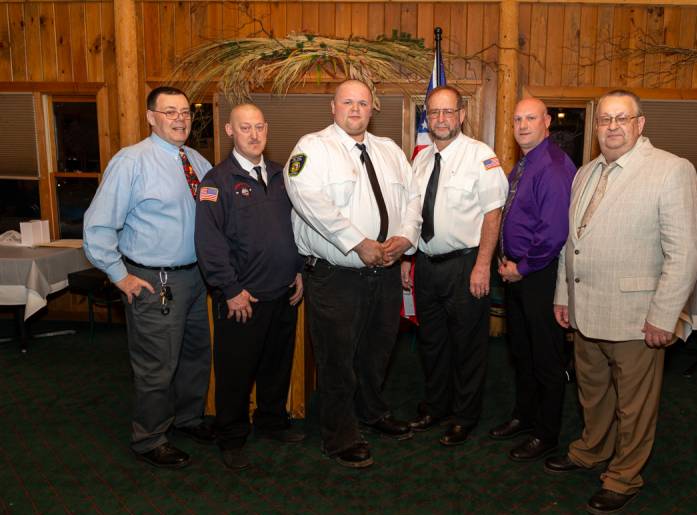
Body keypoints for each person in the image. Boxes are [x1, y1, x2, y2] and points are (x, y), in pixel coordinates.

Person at [547, 89, 697, 515]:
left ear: (640, 124)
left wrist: (664, 316)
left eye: (622, 119)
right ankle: (591, 450)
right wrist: (564, 295)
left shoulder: (671, 171)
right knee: (592, 393)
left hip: (638, 317)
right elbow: (571, 243)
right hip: (585, 310)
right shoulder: (586, 172)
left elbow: (685, 253)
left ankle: (623, 476)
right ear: (596, 126)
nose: (612, 127)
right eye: (604, 120)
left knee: (634, 405)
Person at [284, 79, 421, 468]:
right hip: (337, 275)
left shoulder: (390, 150)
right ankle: (339, 435)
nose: (356, 110)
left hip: (386, 273)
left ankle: (372, 413)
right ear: (333, 106)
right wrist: (357, 242)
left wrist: (405, 237)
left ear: (372, 109)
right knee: (337, 358)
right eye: (348, 102)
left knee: (378, 351)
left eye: (363, 103)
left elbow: (412, 199)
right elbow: (307, 199)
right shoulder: (312, 148)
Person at [83, 86, 214, 469]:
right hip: (152, 281)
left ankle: (188, 419)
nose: (180, 119)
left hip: (194, 279)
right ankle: (150, 438)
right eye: (169, 112)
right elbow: (97, 227)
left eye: (186, 112)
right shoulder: (131, 162)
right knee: (157, 364)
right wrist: (119, 276)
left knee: (194, 357)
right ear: (151, 117)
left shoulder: (197, 161)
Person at [195, 103, 305, 471]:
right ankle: (231, 434)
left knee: (276, 365)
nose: (254, 135)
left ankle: (271, 421)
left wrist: (299, 271)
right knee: (235, 371)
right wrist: (230, 289)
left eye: (259, 127)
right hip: (242, 297)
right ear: (230, 131)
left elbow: (295, 230)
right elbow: (208, 243)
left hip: (283, 293)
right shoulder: (216, 181)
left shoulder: (281, 175)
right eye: (245, 128)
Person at [402, 86, 508, 446]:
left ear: (462, 115)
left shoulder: (481, 156)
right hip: (427, 266)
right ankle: (436, 406)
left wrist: (482, 266)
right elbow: (414, 214)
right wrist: (408, 257)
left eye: (448, 112)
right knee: (432, 342)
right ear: (427, 118)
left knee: (467, 346)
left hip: (466, 266)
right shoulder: (420, 159)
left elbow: (493, 215)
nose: (441, 119)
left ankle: (464, 416)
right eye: (434, 113)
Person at [491, 98, 575, 462]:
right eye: (517, 119)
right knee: (521, 352)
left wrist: (521, 268)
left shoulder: (553, 167)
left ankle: (546, 433)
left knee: (545, 358)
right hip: (518, 274)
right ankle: (524, 416)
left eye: (530, 118)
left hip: (539, 275)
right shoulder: (524, 165)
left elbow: (554, 231)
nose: (522, 125)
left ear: (546, 123)